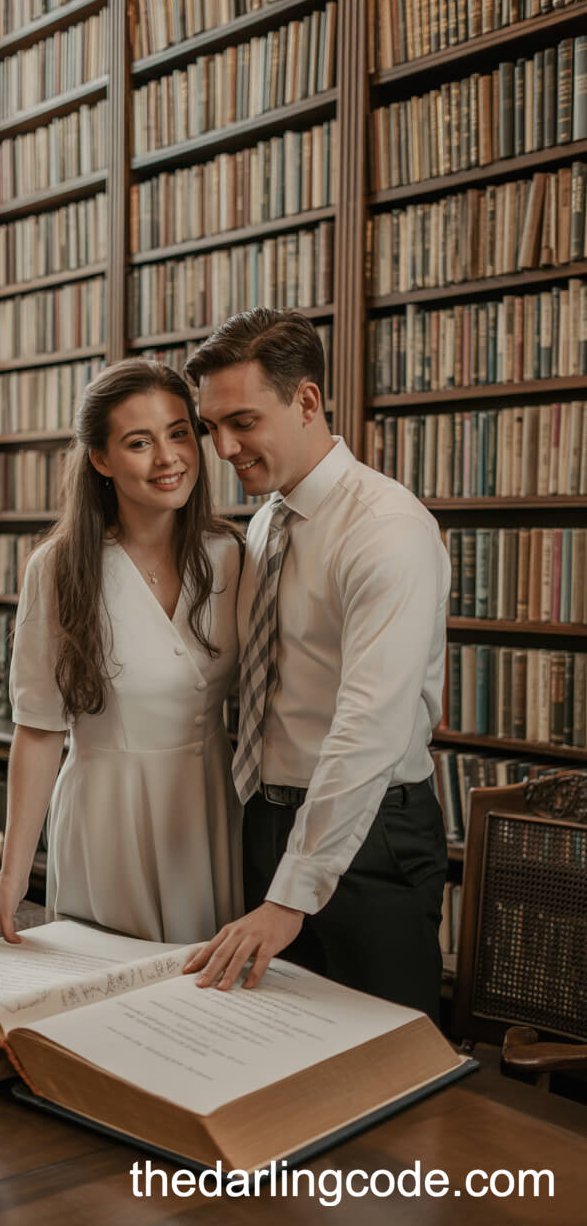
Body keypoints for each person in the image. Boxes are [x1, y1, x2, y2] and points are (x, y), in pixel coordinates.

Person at [182, 308, 450, 1022]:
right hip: (267, 821)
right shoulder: (269, 517)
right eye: (210, 427)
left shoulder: (387, 531)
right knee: (279, 1058)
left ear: (306, 400)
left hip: (371, 837)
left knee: (385, 1072)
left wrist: (289, 895)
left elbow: (369, 728)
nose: (223, 446)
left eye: (241, 421)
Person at [0, 358, 243, 950]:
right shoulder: (58, 569)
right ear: (101, 460)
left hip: (210, 810)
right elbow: (37, 730)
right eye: (140, 442)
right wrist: (10, 876)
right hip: (107, 815)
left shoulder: (233, 555)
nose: (168, 458)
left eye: (179, 432)